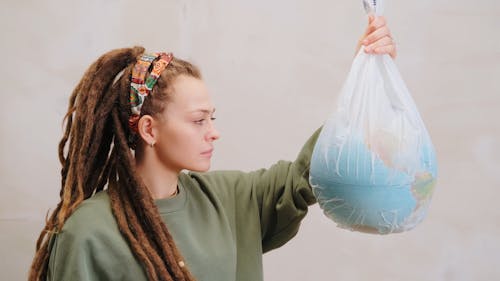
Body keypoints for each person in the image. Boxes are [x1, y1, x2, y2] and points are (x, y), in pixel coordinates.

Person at [29, 15, 396, 281]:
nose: (214, 133)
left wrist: (364, 77)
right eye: (198, 119)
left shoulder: (231, 198)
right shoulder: (88, 234)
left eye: (212, 118)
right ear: (148, 129)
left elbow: (311, 169)